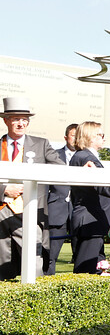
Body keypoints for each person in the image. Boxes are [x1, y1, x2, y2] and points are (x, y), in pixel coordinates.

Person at [0, 96, 63, 280]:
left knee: (34, 264)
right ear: (6, 121)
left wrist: (82, 170)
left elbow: (59, 169)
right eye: (16, 119)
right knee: (2, 264)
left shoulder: (41, 144)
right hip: (2, 210)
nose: (21, 124)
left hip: (31, 210)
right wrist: (3, 190)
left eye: (24, 120)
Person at [69, 121, 110, 274]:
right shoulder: (85, 157)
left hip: (91, 220)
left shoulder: (82, 156)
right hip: (89, 220)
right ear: (90, 136)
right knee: (85, 271)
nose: (104, 138)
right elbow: (102, 186)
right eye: (101, 135)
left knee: (94, 269)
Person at [45, 123, 77, 275]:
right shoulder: (53, 155)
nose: (76, 139)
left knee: (81, 256)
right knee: (49, 256)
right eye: (73, 135)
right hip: (57, 211)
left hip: (79, 211)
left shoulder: (88, 157)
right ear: (65, 138)